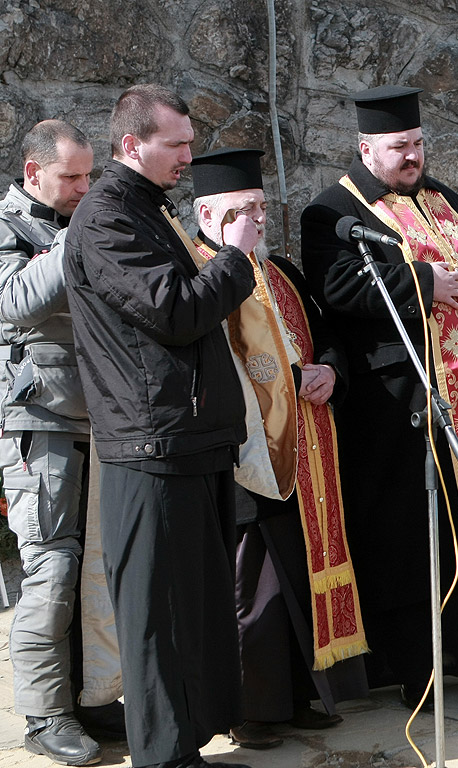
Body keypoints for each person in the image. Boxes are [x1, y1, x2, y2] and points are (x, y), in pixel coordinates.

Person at [301, 85, 458, 707]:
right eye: (398, 147)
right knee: (414, 537)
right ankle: (421, 667)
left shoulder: (444, 198)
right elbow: (335, 289)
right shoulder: (332, 209)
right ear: (366, 147)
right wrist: (422, 281)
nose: (412, 157)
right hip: (399, 402)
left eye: (417, 144)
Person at [63, 84, 259, 768]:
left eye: (188, 142)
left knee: (196, 609)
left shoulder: (146, 208)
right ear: (130, 145)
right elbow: (175, 313)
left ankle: (188, 743)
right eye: (175, 144)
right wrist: (234, 258)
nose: (187, 156)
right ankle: (166, 755)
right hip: (150, 446)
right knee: (159, 616)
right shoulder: (106, 218)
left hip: (186, 437)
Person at [189, 147, 367, 749]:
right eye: (242, 211)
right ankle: (250, 709)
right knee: (253, 589)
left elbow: (329, 333)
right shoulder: (197, 271)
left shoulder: (284, 269)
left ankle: (296, 698)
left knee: (298, 577)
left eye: (261, 208)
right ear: (208, 218)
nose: (257, 221)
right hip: (247, 458)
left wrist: (331, 371)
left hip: (307, 450)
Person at [0, 119, 122, 766]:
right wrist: (79, 240)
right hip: (39, 427)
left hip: (100, 423)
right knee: (50, 572)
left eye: (87, 176)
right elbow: (14, 300)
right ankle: (46, 716)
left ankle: (94, 697)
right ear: (32, 172)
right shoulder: (10, 227)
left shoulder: (74, 222)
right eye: (70, 177)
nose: (83, 187)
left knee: (96, 574)